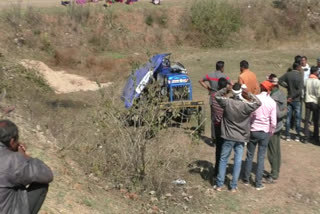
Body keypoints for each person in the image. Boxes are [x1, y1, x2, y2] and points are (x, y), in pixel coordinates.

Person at [214, 83, 261, 192]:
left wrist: (226, 89)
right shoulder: (246, 105)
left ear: (233, 91)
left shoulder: (227, 102)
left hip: (228, 136)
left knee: (223, 159)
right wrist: (248, 93)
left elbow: (216, 96)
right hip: (241, 137)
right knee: (238, 161)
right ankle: (233, 186)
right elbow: (258, 103)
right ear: (241, 91)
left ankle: (219, 184)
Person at [0, 120, 53, 214]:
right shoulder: (13, 160)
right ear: (12, 141)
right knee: (41, 184)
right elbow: (47, 175)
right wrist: (25, 156)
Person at [242, 81, 277, 190]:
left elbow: (250, 113)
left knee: (249, 155)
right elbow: (274, 122)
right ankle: (258, 183)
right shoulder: (272, 102)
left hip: (253, 129)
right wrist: (271, 132)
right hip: (264, 131)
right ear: (269, 90)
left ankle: (246, 179)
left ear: (261, 87)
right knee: (261, 157)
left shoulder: (255, 98)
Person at [199, 61, 231, 144]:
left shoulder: (210, 75)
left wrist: (208, 88)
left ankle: (214, 138)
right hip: (222, 97)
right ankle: (223, 136)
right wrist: (226, 91)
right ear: (222, 68)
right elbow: (231, 85)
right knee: (223, 117)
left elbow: (201, 80)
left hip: (213, 97)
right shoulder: (224, 76)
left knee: (213, 119)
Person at [265, 74, 287, 183]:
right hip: (279, 126)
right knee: (277, 150)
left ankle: (273, 174)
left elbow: (277, 114)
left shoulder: (273, 98)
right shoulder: (281, 94)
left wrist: (284, 111)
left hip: (273, 127)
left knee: (272, 152)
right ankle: (276, 170)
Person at [279, 62, 304, 142]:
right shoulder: (300, 76)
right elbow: (300, 91)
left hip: (289, 98)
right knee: (297, 118)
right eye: (300, 66)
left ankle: (287, 135)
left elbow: (279, 80)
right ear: (297, 67)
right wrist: (293, 97)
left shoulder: (288, 74)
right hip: (296, 99)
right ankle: (297, 135)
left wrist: (286, 86)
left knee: (288, 118)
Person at [211, 78, 229, 178]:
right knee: (224, 151)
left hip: (217, 125)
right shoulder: (226, 101)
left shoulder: (213, 97)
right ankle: (222, 172)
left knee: (218, 150)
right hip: (225, 127)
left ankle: (217, 171)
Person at [304, 66, 320, 143]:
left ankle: (306, 137)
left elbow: (304, 89)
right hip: (315, 102)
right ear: (315, 72)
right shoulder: (317, 81)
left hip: (307, 100)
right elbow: (318, 94)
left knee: (307, 120)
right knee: (316, 120)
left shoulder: (306, 80)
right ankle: (315, 137)